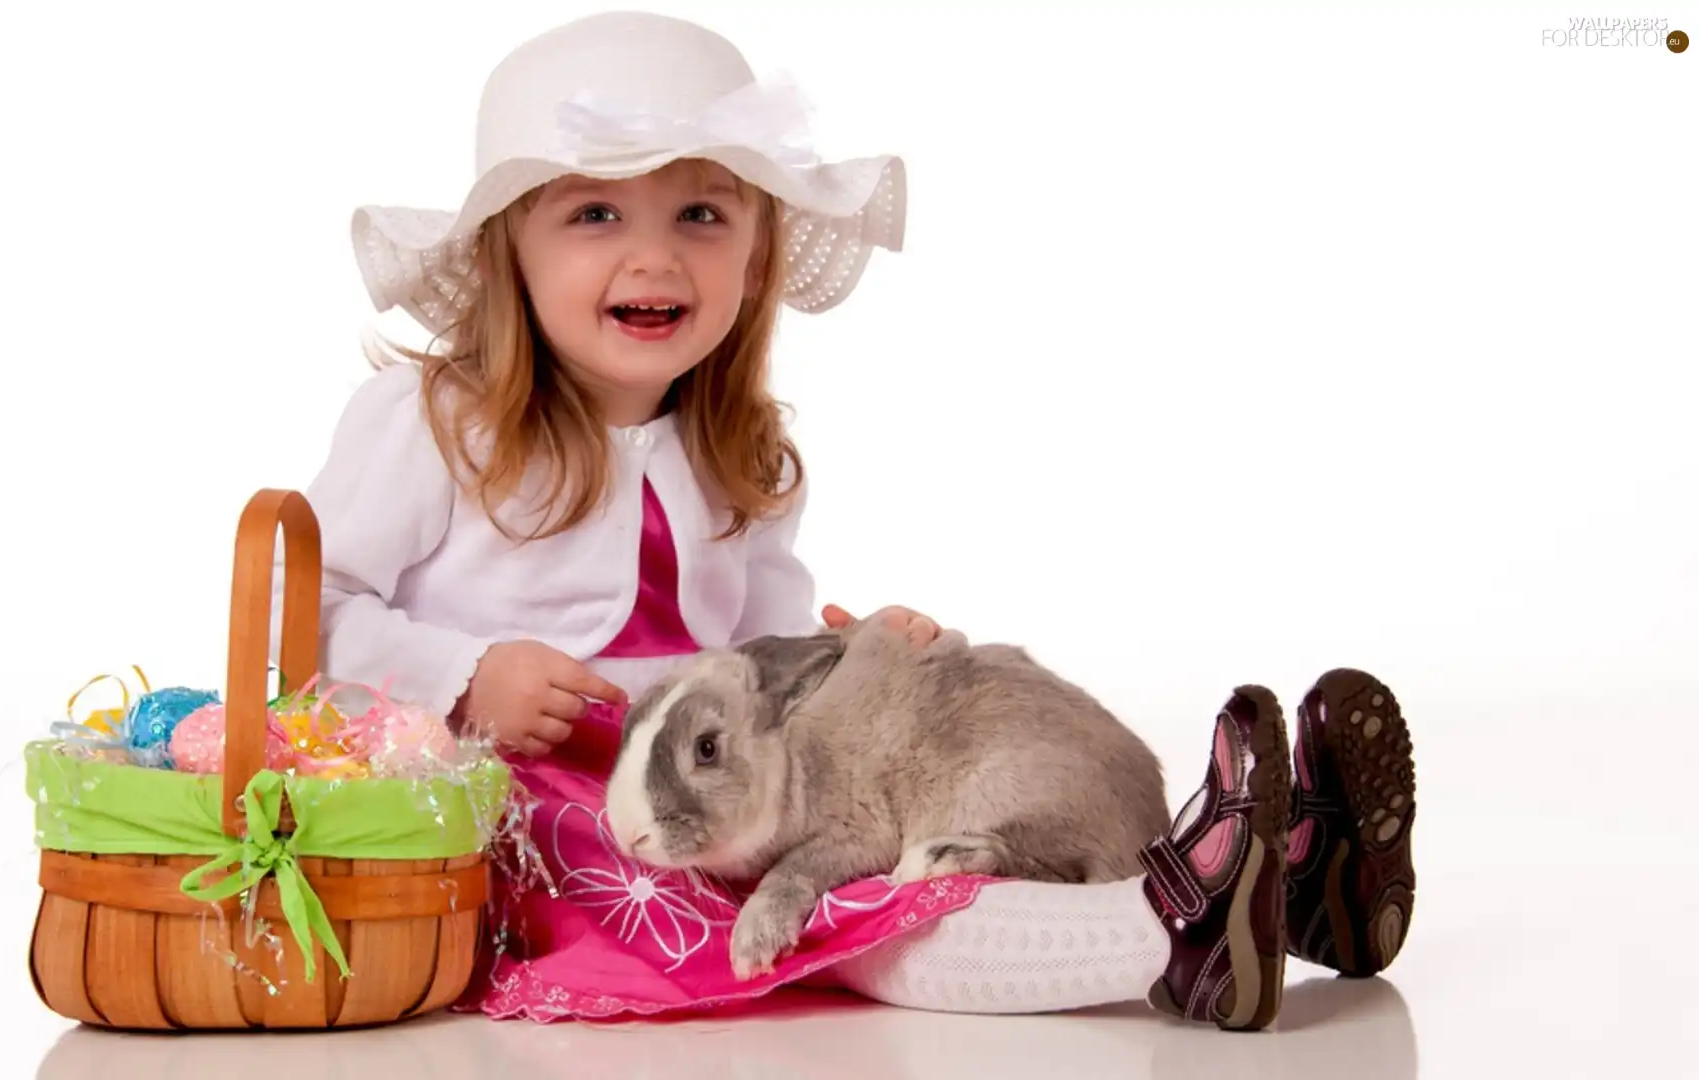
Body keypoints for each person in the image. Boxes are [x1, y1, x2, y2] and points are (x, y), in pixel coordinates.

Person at [297, 10, 1418, 1031]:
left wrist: (860, 651)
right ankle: (1179, 927)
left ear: (753, 253)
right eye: (595, 213)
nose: (656, 254)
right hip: (562, 815)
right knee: (848, 930)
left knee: (923, 829)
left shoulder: (735, 448)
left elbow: (776, 664)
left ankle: (1277, 876)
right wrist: (463, 674)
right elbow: (308, 618)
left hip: (721, 780)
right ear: (510, 253)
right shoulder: (435, 425)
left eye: (702, 213)